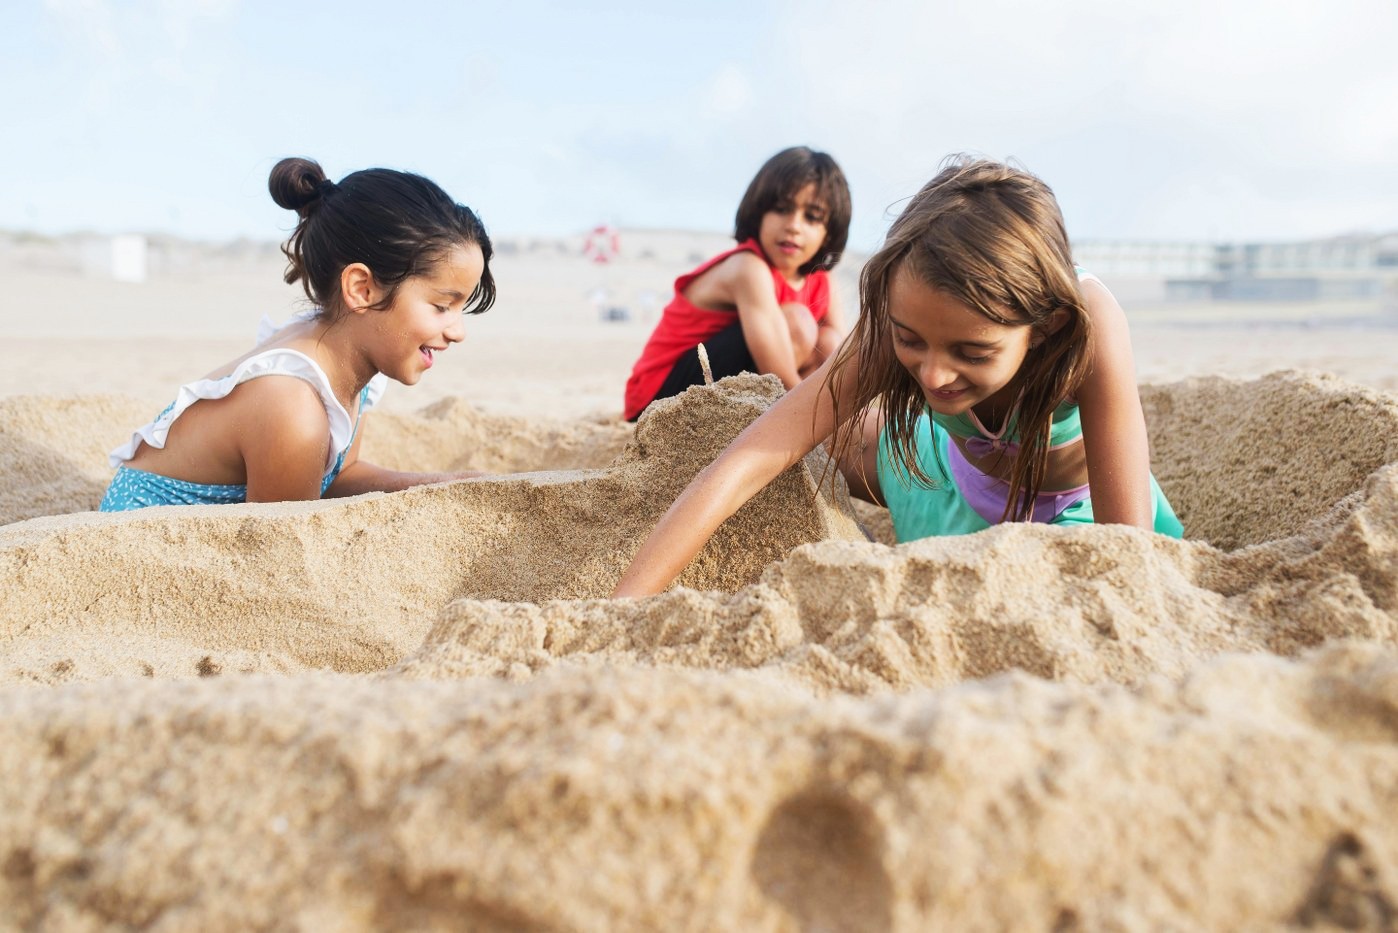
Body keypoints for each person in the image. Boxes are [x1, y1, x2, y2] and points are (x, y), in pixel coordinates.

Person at [613, 156, 1183, 597]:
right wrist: (624, 604)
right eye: (911, 342)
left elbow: (1129, 552)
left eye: (972, 351)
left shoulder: (1087, 325)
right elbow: (750, 457)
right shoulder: (898, 311)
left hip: (1069, 504)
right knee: (829, 433)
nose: (934, 374)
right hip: (949, 481)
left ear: (1045, 326)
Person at [100, 157, 497, 511]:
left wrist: (440, 484)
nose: (458, 332)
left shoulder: (343, 354)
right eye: (442, 306)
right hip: (134, 547)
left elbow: (339, 475)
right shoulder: (294, 404)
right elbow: (286, 555)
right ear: (361, 289)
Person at [622, 146, 852, 422]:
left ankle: (805, 418)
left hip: (738, 384)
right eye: (781, 209)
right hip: (658, 399)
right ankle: (803, 422)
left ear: (829, 232)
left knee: (827, 339)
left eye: (812, 217)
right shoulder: (747, 267)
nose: (794, 225)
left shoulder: (822, 279)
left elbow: (839, 357)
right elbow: (778, 374)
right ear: (759, 213)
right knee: (798, 322)